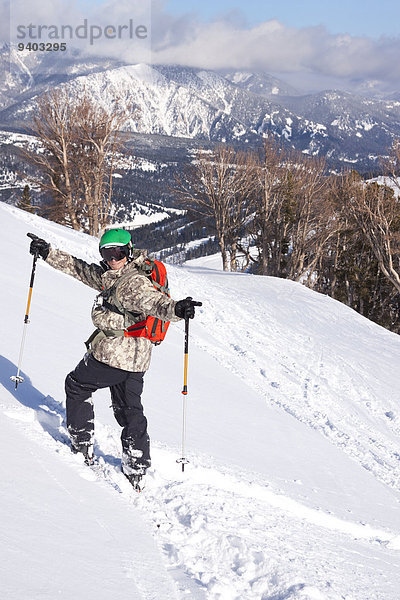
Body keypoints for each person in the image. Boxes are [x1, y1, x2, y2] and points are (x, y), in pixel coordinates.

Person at [28, 229, 201, 490]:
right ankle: (136, 465)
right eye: (107, 253)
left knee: (76, 385)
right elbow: (79, 269)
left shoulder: (133, 283)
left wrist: (176, 309)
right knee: (130, 409)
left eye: (118, 252)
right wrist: (48, 252)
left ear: (129, 251)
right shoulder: (115, 276)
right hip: (138, 360)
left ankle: (81, 442)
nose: (112, 258)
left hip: (112, 356)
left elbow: (154, 303)